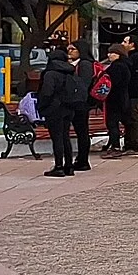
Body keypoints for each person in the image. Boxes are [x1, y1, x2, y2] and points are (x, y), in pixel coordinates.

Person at [36, 42, 75, 177]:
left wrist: (42, 106)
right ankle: (69, 166)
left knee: (57, 137)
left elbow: (47, 92)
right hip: (68, 107)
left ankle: (58, 166)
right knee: (65, 136)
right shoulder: (70, 72)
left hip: (54, 108)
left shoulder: (50, 74)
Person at [61, 41, 93, 172]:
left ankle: (83, 160)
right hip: (75, 102)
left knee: (82, 132)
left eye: (73, 49)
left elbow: (82, 84)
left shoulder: (84, 64)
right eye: (68, 49)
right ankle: (80, 159)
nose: (69, 51)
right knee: (81, 131)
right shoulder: (73, 64)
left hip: (81, 103)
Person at [100, 44, 130, 155]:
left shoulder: (117, 67)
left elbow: (112, 83)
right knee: (114, 122)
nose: (109, 55)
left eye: (112, 53)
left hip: (114, 99)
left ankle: (115, 146)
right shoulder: (125, 65)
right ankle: (113, 144)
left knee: (112, 123)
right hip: (121, 98)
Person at [121, 37, 138, 153]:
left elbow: (136, 78)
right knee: (128, 118)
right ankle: (129, 144)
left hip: (133, 94)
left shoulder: (135, 58)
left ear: (132, 44)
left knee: (132, 118)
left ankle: (133, 145)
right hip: (131, 93)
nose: (122, 44)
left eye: (125, 42)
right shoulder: (131, 57)